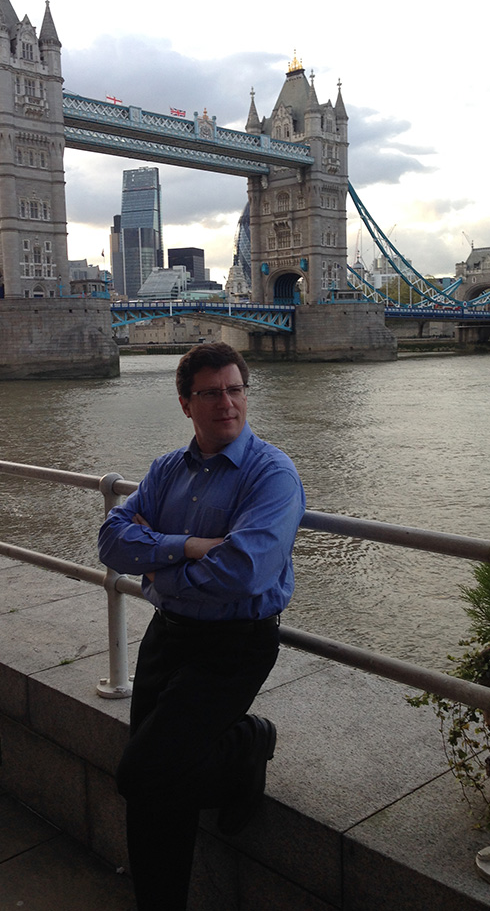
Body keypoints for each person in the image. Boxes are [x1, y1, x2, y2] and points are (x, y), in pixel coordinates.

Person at [98, 341, 305, 911]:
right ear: (186, 404)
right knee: (154, 792)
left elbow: (244, 572)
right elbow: (112, 541)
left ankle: (246, 743)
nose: (226, 403)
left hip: (233, 646)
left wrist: (157, 564)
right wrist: (189, 545)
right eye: (210, 393)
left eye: (235, 390)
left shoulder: (272, 474)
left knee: (142, 773)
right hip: (167, 635)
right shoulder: (167, 470)